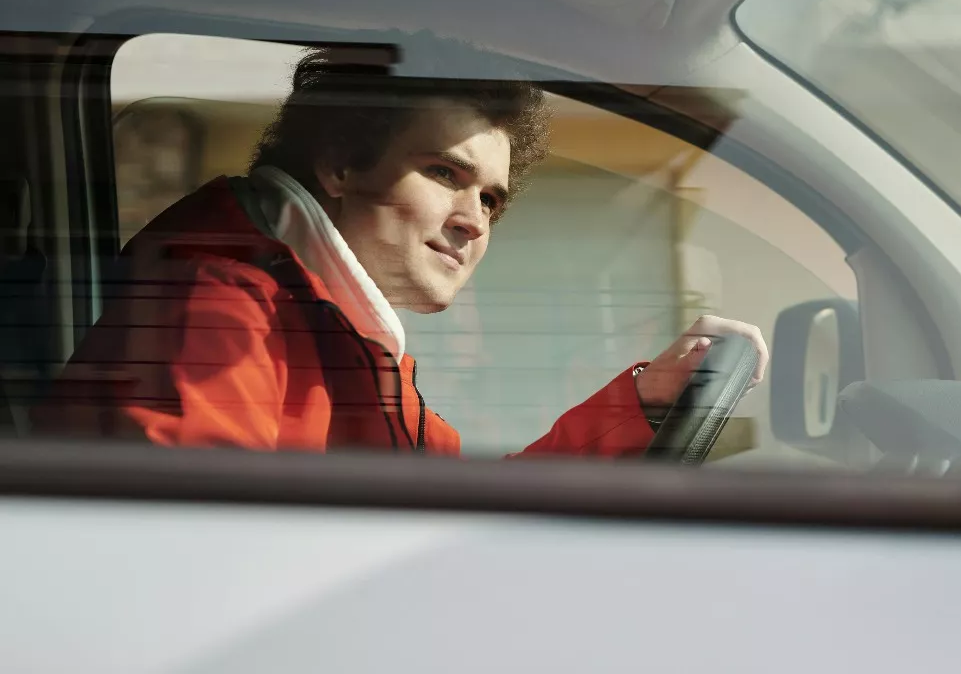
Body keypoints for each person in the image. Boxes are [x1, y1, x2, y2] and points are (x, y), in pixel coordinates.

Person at [37, 50, 768, 455]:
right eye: (446, 174)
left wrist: (642, 402)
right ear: (340, 166)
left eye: (491, 198)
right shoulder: (219, 308)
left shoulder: (342, 328)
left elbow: (464, 517)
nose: (474, 221)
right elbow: (194, 562)